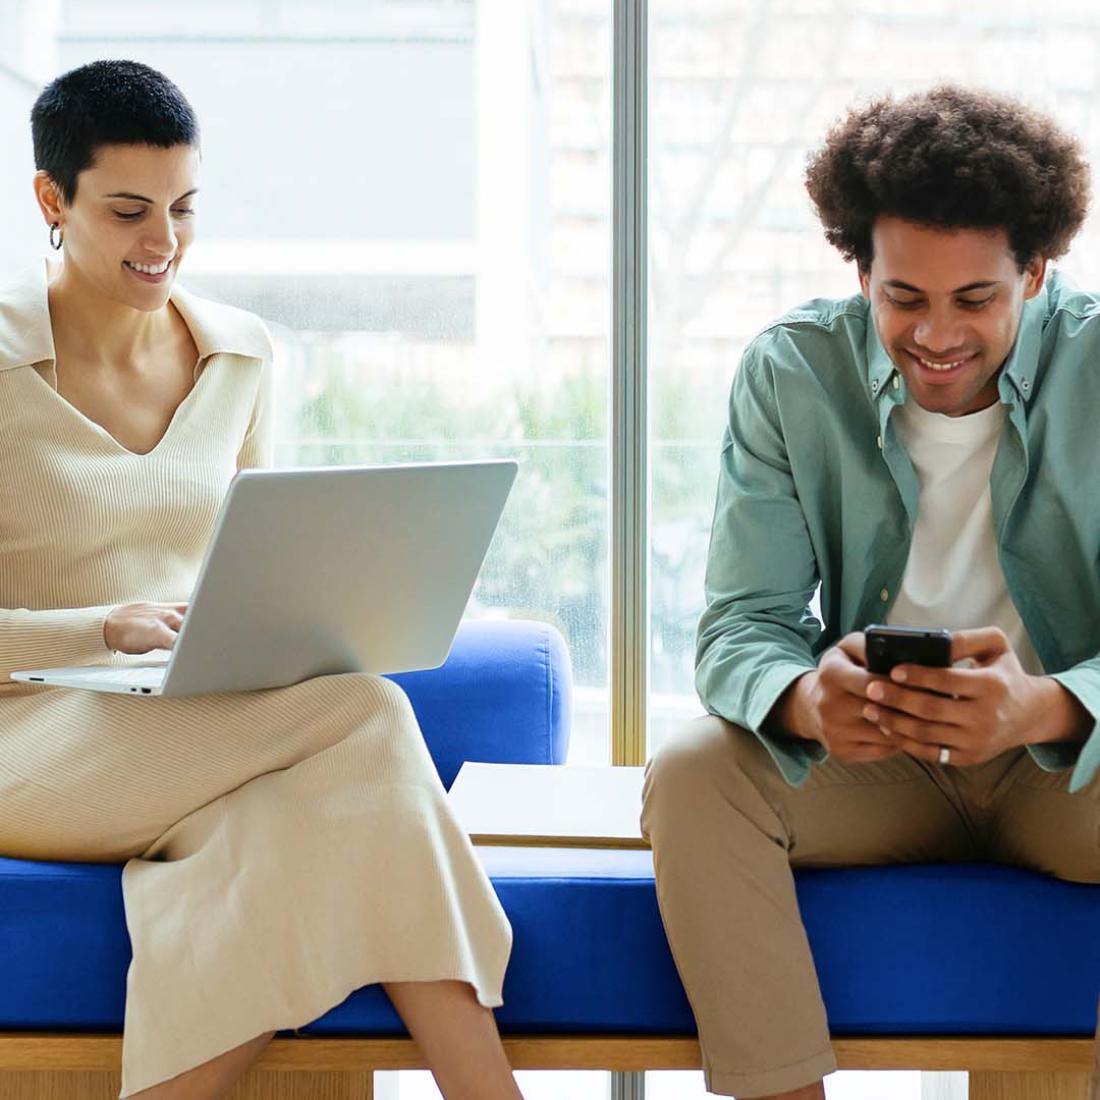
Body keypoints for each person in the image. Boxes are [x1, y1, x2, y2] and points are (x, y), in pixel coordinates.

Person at [0, 59, 525, 1100]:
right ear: (52, 200)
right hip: (26, 728)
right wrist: (102, 627)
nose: (165, 243)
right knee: (367, 715)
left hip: (179, 718)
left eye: (185, 209)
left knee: (333, 814)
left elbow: (255, 557)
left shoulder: (238, 355)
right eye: (129, 211)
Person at [641, 84, 1100, 1099]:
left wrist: (1048, 702)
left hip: (1062, 768)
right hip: (875, 765)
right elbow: (739, 624)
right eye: (902, 296)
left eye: (973, 299)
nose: (935, 335)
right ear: (858, 269)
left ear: (1033, 269)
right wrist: (807, 698)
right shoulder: (789, 373)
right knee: (691, 773)